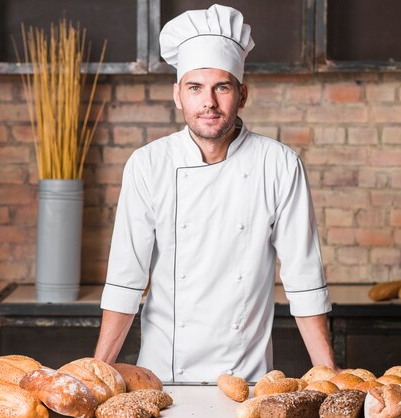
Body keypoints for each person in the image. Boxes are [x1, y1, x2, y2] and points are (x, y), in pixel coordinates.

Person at [94, 4, 337, 382]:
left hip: (247, 380)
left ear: (242, 94)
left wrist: (330, 374)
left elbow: (304, 281)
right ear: (178, 95)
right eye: (195, 88)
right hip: (162, 377)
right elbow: (126, 280)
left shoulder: (279, 164)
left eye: (221, 87)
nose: (208, 102)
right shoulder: (148, 165)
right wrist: (99, 376)